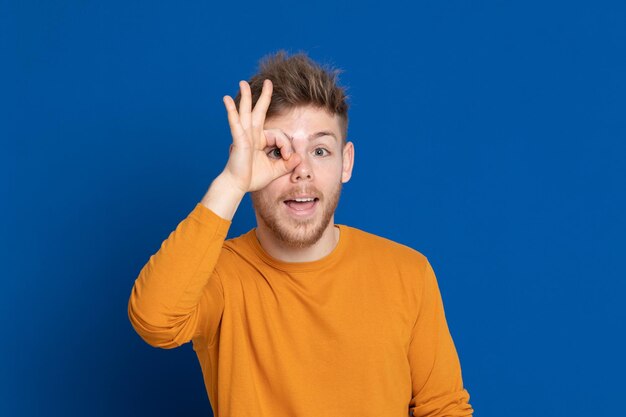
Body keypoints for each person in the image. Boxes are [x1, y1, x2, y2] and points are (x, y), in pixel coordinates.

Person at [128, 51, 473, 417]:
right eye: (278, 151)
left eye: (320, 150)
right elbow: (154, 321)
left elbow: (443, 408)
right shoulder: (218, 275)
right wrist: (232, 182)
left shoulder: (408, 272)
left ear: (347, 162)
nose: (301, 171)